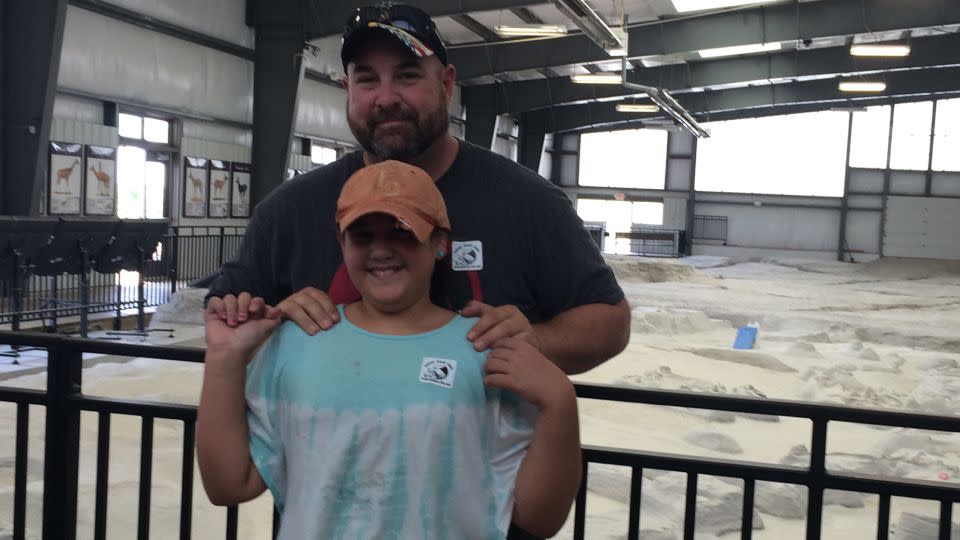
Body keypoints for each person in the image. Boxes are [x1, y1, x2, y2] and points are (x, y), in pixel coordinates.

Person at [205, 3, 630, 375]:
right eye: (368, 80)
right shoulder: (289, 211)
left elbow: (609, 321)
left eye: (407, 76)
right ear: (347, 90)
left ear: (446, 85)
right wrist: (275, 321)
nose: (386, 98)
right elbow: (228, 314)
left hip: (481, 462)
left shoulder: (527, 203)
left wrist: (536, 342)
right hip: (328, 457)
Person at [197, 160, 581, 539]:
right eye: (362, 236)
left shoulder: (484, 349)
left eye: (402, 231)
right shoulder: (297, 342)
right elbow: (228, 485)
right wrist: (224, 358)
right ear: (341, 243)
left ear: (439, 243)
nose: (381, 250)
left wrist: (560, 404)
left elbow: (538, 518)